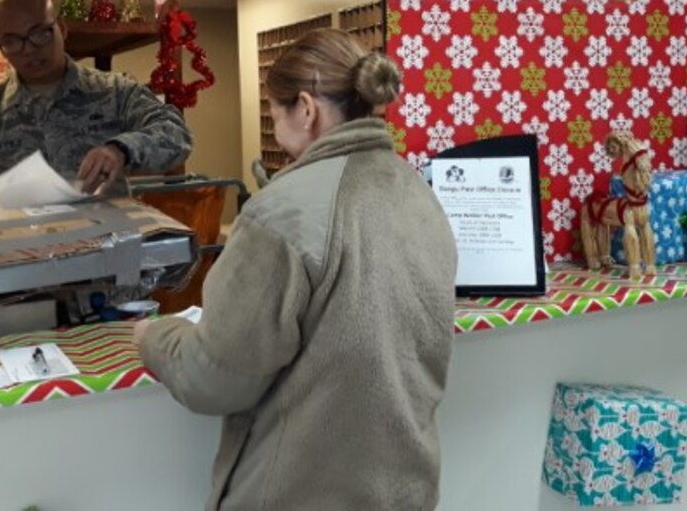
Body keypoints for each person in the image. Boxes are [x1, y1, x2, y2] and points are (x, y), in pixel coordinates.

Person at [134, 29, 457, 510]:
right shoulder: (420, 195)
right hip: (407, 492)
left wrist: (153, 337)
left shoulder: (281, 212)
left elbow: (214, 378)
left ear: (306, 109)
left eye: (274, 112)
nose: (275, 127)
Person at [0, 0, 192, 216]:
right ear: (1, 46)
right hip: (24, 259)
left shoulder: (115, 91)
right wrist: (1, 199)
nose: (29, 49)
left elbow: (176, 134)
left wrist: (121, 149)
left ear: (61, 29)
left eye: (40, 33)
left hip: (106, 258)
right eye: (12, 41)